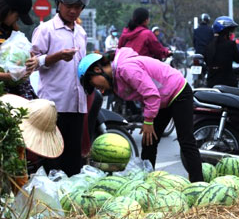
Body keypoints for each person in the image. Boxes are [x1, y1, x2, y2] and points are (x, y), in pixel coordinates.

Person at [78, 47, 204, 182]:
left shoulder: (126, 69)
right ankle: (146, 182)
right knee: (148, 141)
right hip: (162, 99)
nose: (99, 90)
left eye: (93, 84)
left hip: (178, 92)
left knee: (186, 141)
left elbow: (151, 94)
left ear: (97, 70)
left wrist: (148, 121)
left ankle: (198, 184)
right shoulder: (116, 77)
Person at [31, 0, 89, 176]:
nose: (73, 11)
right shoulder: (45, 30)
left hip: (77, 104)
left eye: (78, 7)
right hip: (53, 106)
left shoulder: (81, 32)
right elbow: (32, 63)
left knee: (74, 160)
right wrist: (56, 57)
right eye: (69, 6)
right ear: (59, 4)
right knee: (52, 160)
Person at [205, 16, 239, 87]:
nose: (231, 33)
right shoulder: (230, 44)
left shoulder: (209, 45)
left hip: (211, 83)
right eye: (230, 31)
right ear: (226, 31)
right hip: (228, 84)